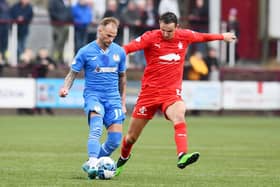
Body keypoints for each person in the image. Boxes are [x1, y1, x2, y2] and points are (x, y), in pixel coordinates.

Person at [115, 12, 236, 176]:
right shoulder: (150, 37)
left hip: (170, 93)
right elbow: (128, 48)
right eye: (163, 30)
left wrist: (222, 36)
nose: (165, 34)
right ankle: (122, 160)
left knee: (179, 114)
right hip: (148, 95)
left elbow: (202, 37)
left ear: (177, 27)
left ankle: (182, 155)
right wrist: (112, 56)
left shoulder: (184, 36)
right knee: (130, 138)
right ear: (159, 24)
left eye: (169, 31)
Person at [59, 17, 127, 179]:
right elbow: (72, 74)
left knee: (115, 140)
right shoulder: (85, 51)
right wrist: (65, 88)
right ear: (100, 31)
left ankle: (92, 162)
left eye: (114, 36)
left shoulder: (119, 52)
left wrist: (123, 102)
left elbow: (122, 78)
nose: (111, 39)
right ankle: (93, 163)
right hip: (94, 96)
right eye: (108, 35)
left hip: (113, 99)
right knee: (96, 128)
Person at [48, 0, 72, 64]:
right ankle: (53, 60)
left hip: (65, 25)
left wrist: (68, 19)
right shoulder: (53, 1)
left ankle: (60, 59)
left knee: (62, 43)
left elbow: (69, 12)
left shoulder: (67, 2)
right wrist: (61, 19)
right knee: (57, 43)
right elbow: (52, 12)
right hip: (57, 26)